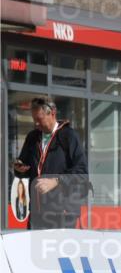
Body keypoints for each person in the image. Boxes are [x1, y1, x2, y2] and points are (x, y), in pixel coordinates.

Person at [12, 96, 88, 229]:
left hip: (62, 213)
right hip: (37, 212)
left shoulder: (69, 136)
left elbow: (82, 173)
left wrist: (56, 181)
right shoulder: (32, 137)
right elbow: (26, 169)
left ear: (52, 113)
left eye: (39, 119)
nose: (36, 123)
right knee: (34, 250)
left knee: (59, 250)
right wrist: (19, 169)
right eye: (34, 119)